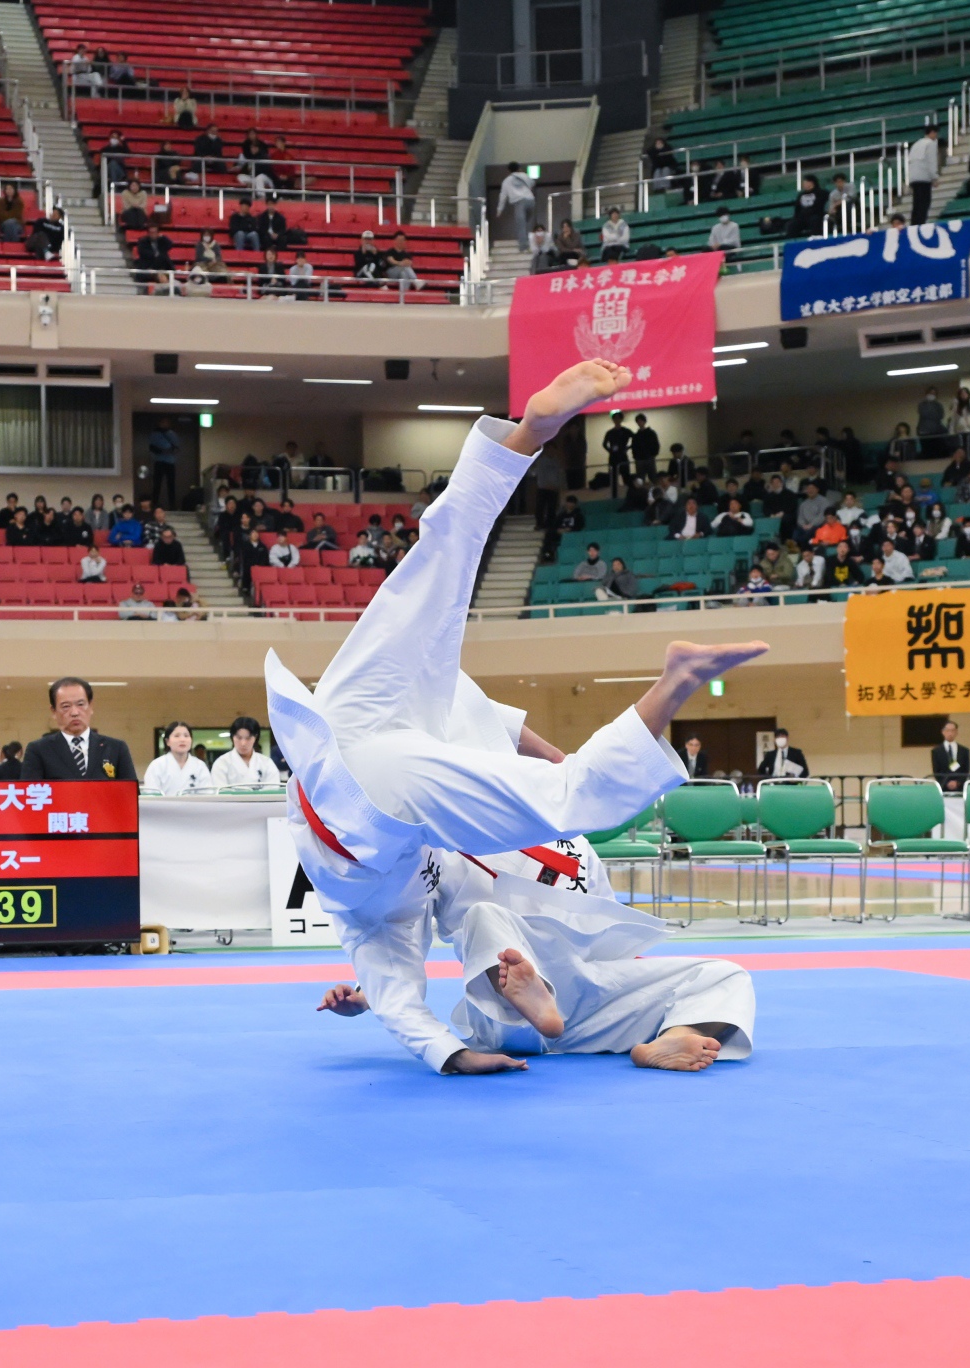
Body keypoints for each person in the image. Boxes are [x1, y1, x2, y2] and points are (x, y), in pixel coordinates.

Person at [266, 360, 768, 1075]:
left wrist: (441, 1047)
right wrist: (444, 1049)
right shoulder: (424, 883)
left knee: (443, 562)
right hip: (369, 781)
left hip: (362, 747)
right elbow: (394, 982)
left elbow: (396, 985)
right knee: (441, 564)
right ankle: (533, 438)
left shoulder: (468, 863)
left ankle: (532, 431)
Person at [317, 833, 754, 1073]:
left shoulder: (575, 843)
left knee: (725, 973)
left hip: (584, 994)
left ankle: (670, 1037)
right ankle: (532, 997)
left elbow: (604, 927)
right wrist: (367, 992)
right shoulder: (446, 847)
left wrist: (638, 989)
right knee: (485, 917)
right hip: (506, 1009)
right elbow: (407, 938)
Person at [21, 677, 139, 781]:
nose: (75, 712)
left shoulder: (116, 748)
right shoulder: (39, 750)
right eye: (66, 706)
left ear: (91, 707)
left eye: (81, 704)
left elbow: (130, 793)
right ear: (53, 711)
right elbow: (30, 793)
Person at [143, 720, 214, 796]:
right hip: (164, 804)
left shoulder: (200, 766)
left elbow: (207, 794)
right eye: (177, 736)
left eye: (186, 736)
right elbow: (151, 794)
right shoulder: (157, 765)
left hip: (194, 804)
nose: (182, 739)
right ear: (167, 741)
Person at [209, 715, 281, 788]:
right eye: (239, 738)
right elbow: (219, 791)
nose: (243, 743)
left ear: (255, 738)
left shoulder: (267, 763)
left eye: (248, 738)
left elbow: (273, 789)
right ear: (232, 737)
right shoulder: (222, 763)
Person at [904, 118, 939, 224]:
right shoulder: (930, 144)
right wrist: (934, 177)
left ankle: (914, 224)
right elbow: (931, 161)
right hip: (924, 177)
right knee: (924, 203)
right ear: (932, 132)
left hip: (914, 177)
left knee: (916, 204)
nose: (936, 136)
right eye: (935, 133)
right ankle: (921, 223)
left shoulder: (916, 144)